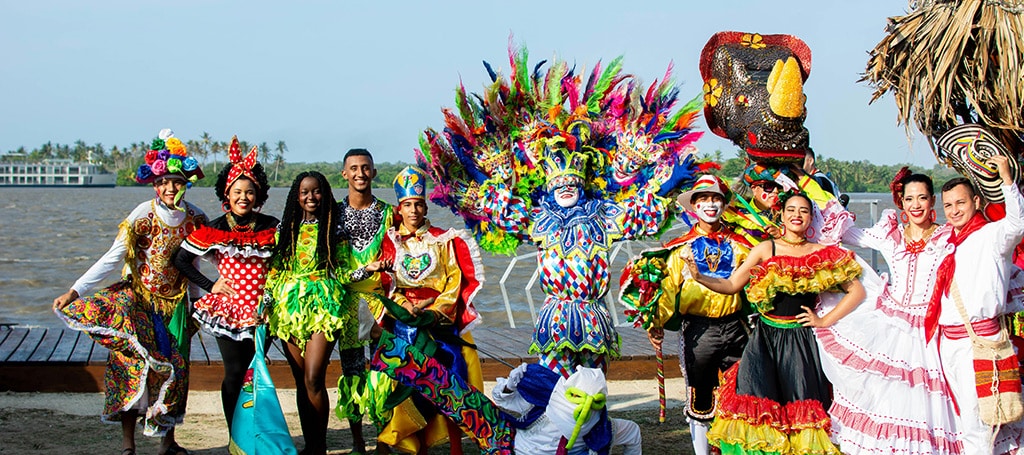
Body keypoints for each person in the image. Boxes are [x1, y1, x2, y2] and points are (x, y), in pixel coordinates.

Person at [53, 129, 206, 455]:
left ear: (187, 184)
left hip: (177, 306)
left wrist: (199, 304)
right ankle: (128, 444)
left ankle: (167, 442)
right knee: (131, 367)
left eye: (177, 182)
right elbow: (113, 258)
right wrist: (75, 291)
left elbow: (194, 267)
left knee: (176, 371)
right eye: (164, 182)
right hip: (139, 302)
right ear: (155, 184)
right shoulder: (142, 215)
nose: (170, 188)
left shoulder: (196, 219)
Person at [689, 191, 866, 455]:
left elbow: (857, 292)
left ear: (811, 218)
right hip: (764, 341)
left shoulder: (821, 253)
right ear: (780, 215)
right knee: (756, 404)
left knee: (800, 409)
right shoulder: (765, 249)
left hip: (801, 343)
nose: (797, 215)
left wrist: (822, 320)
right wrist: (700, 277)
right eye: (791, 210)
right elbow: (732, 284)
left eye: (803, 211)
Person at [813, 168, 962, 453]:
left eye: (922, 198)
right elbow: (846, 236)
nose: (916, 205)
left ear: (932, 201)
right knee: (887, 396)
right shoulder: (890, 235)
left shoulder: (948, 237)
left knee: (927, 400)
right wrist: (824, 205)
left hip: (930, 326)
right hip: (890, 324)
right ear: (901, 202)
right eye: (909, 199)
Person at [626, 174, 751, 455]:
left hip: (736, 327)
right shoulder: (680, 248)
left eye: (716, 198)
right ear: (694, 206)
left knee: (742, 391)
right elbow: (668, 290)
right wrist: (655, 323)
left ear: (724, 205)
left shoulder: (741, 245)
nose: (710, 204)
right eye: (704, 198)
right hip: (698, 330)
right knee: (700, 396)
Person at [264, 171, 382, 455]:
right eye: (304, 192)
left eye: (316, 191)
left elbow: (340, 272)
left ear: (325, 194)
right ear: (296, 196)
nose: (311, 197)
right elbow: (275, 271)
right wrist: (266, 302)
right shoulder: (285, 229)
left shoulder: (334, 229)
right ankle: (311, 445)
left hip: (324, 307)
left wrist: (365, 270)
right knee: (301, 380)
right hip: (288, 308)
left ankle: (319, 447)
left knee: (314, 377)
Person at [374, 166, 485, 455]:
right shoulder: (391, 242)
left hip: (439, 322)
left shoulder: (443, 240)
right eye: (408, 205)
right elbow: (386, 283)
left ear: (425, 207)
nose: (414, 210)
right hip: (405, 323)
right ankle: (418, 446)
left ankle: (457, 447)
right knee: (410, 386)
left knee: (454, 378)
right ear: (400, 208)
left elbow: (453, 280)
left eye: (419, 204)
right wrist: (404, 305)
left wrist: (434, 311)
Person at [171, 137, 278, 436]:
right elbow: (181, 260)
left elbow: (285, 265)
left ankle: (254, 433)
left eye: (250, 192)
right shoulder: (214, 228)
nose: (244, 197)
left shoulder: (272, 226)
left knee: (257, 373)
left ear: (258, 195)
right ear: (226, 194)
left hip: (263, 312)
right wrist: (211, 285)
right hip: (228, 311)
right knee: (234, 373)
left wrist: (272, 299)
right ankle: (235, 436)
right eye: (237, 192)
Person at [931, 155, 1024, 453]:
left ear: (976, 201)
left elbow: (1017, 224)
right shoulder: (946, 242)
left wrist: (1007, 180)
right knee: (963, 420)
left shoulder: (992, 235)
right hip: (949, 343)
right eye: (948, 205)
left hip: (980, 341)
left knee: (979, 423)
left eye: (961, 203)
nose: (954, 210)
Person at [334, 148, 395, 454]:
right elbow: (332, 269)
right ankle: (358, 441)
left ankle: (383, 440)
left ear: (374, 172)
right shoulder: (333, 214)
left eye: (366, 167)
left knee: (383, 373)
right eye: (354, 168)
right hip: (347, 305)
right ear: (344, 174)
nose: (360, 173)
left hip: (383, 304)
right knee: (353, 374)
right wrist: (364, 270)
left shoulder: (389, 213)